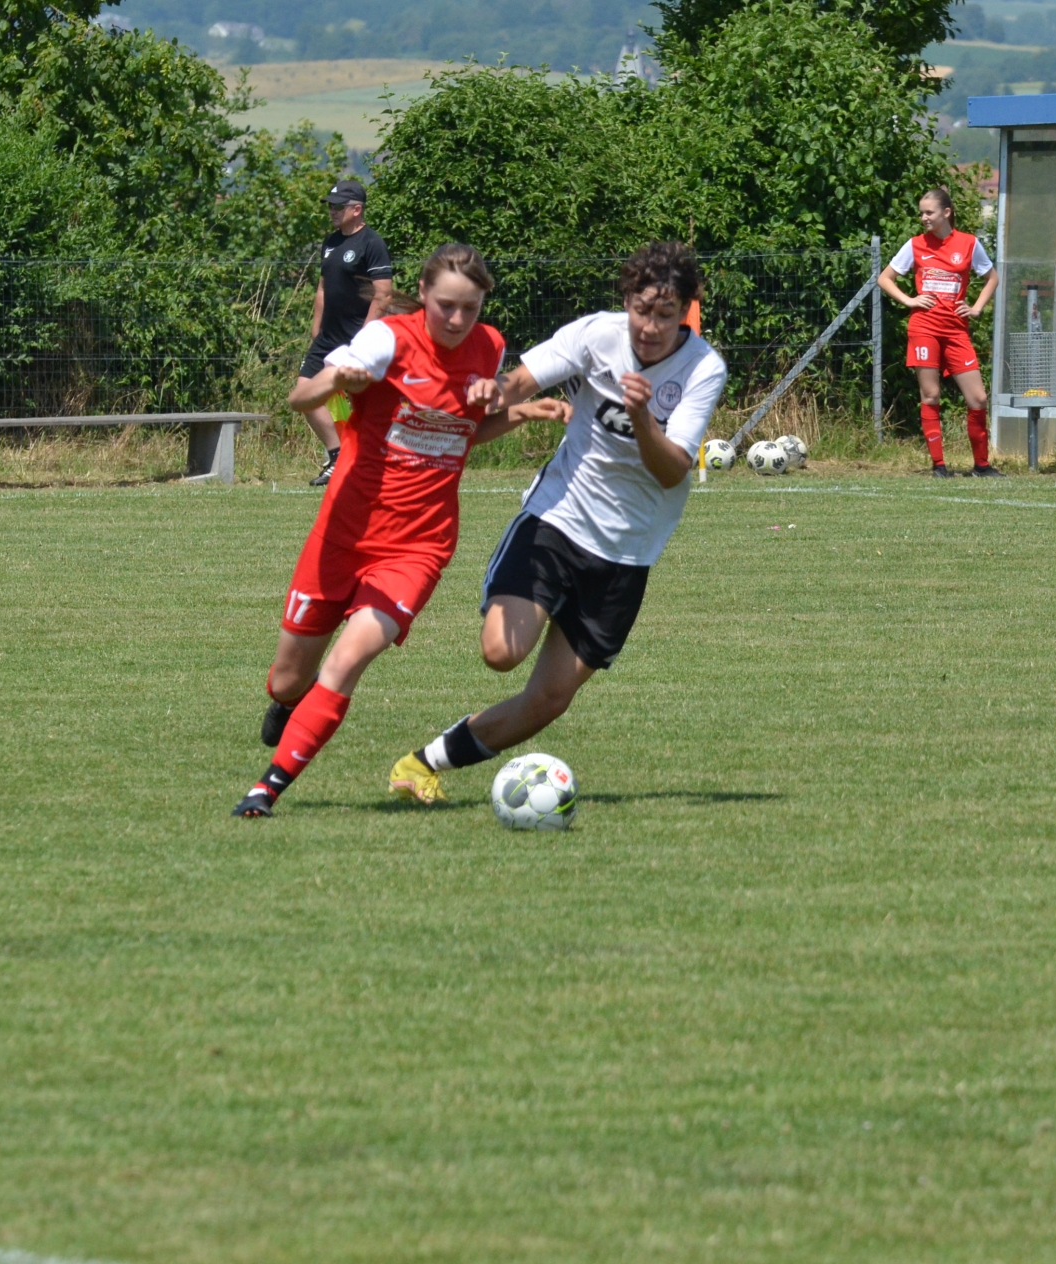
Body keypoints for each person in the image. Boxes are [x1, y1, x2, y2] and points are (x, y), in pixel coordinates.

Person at [384, 241, 727, 804]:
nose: (650, 326)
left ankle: (423, 763)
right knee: (501, 653)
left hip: (629, 552)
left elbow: (672, 471)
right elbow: (521, 381)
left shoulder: (703, 368)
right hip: (557, 521)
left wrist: (642, 417)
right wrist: (493, 391)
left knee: (549, 700)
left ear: (686, 311)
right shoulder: (596, 335)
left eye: (666, 314)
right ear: (626, 301)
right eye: (642, 310)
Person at [235, 244, 568, 818]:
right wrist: (339, 378)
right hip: (343, 534)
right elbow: (300, 397)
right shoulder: (386, 340)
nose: (458, 320)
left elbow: (457, 432)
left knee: (348, 659)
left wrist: (517, 412)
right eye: (446, 307)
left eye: (470, 308)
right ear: (424, 293)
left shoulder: (489, 347)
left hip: (419, 546)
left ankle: (265, 791)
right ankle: (290, 703)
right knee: (288, 680)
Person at [877, 188, 1001, 478]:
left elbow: (992, 278)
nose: (924, 217)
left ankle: (982, 466)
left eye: (929, 212)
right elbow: (885, 278)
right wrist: (910, 300)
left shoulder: (969, 243)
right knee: (931, 395)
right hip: (924, 328)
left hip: (956, 330)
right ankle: (939, 465)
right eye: (921, 212)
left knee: (978, 398)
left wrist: (976, 308)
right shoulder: (915, 244)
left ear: (946, 213)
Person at [297, 177, 395, 487]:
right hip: (327, 338)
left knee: (366, 407)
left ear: (357, 209)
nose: (332, 211)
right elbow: (323, 287)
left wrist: (364, 340)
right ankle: (337, 456)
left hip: (357, 339)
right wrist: (316, 327)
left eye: (338, 207)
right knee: (304, 395)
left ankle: (378, 463)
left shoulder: (372, 243)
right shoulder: (330, 242)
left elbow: (383, 295)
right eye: (330, 206)